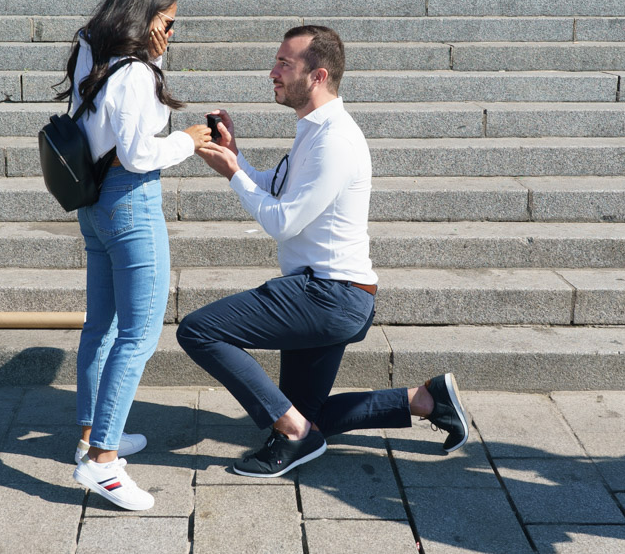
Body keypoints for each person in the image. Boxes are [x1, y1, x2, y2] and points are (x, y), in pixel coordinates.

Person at [177, 25, 469, 478]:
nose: (272, 72)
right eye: (276, 61)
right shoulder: (314, 129)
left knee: (199, 332)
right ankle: (427, 400)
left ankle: (293, 433)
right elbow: (278, 188)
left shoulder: (335, 140)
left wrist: (234, 174)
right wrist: (236, 158)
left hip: (327, 295)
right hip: (328, 292)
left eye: (284, 64)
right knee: (302, 417)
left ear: (317, 76)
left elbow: (281, 220)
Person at [56, 0, 211, 509]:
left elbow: (110, 129)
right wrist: (188, 142)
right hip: (130, 201)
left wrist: (155, 58)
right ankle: (103, 463)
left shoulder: (88, 51)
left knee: (102, 324)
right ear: (143, 14)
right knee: (140, 333)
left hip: (93, 200)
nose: (170, 34)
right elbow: (140, 151)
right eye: (166, 23)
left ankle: (91, 436)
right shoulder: (136, 74)